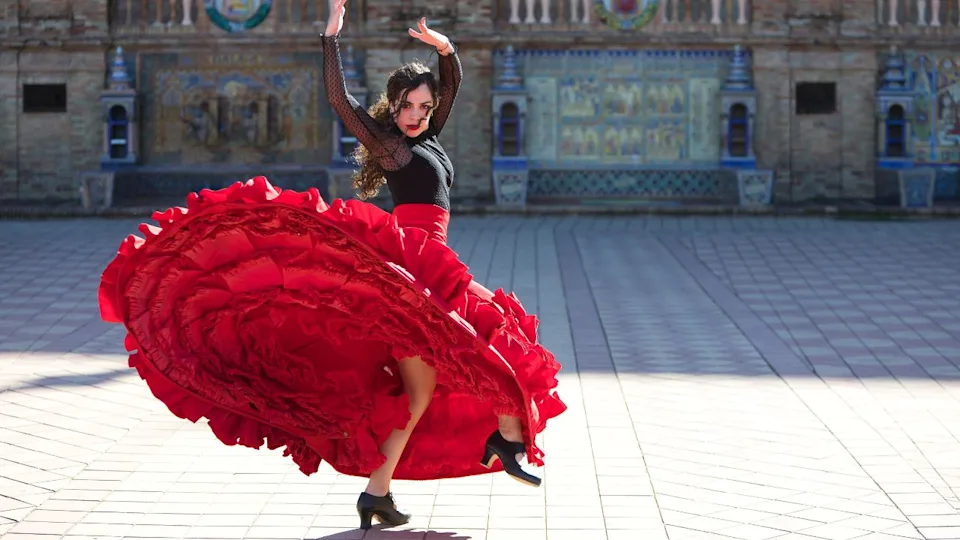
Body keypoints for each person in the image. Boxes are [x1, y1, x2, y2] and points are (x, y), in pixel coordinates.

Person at [97, 0, 565, 532]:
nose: (417, 114)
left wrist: (446, 50)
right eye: (408, 106)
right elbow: (341, 103)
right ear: (393, 106)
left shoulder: (429, 140)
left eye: (425, 106)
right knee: (486, 333)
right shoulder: (393, 149)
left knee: (420, 393)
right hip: (412, 274)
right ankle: (502, 436)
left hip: (431, 265)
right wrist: (330, 36)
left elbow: (451, 87)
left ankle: (378, 495)